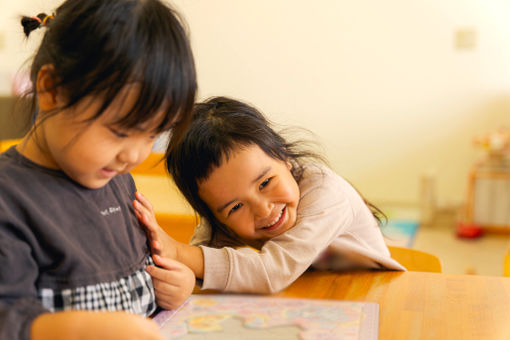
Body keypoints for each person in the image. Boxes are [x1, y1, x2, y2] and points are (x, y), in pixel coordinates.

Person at [0, 1, 197, 339]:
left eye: (153, 134)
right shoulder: (9, 199)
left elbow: (136, 277)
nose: (135, 154)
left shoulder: (117, 179)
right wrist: (79, 330)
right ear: (52, 90)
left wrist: (172, 286)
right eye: (120, 131)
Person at [134, 96, 405, 295]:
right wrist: (182, 280)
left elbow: (271, 271)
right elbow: (202, 262)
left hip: (374, 295)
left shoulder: (326, 193)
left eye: (265, 182)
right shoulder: (221, 217)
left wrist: (179, 253)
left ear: (284, 156)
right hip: (304, 299)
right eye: (236, 206)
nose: (263, 210)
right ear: (212, 213)